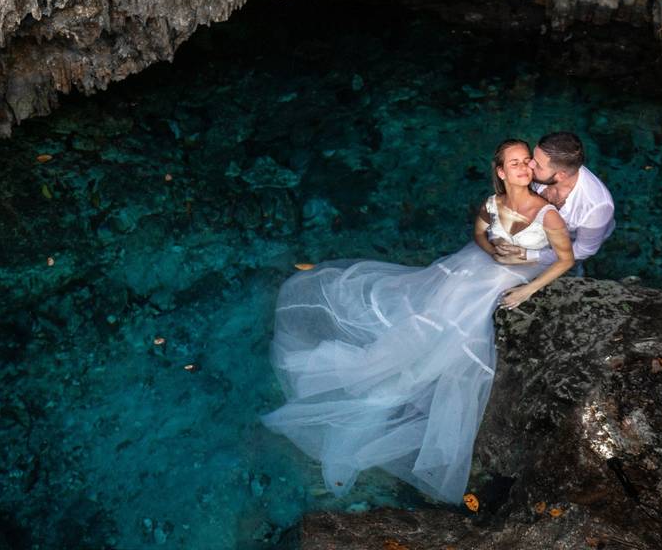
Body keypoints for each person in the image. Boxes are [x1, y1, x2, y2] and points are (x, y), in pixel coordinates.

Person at [260, 140, 574, 504]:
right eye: (514, 163)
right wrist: (492, 250)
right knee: (435, 307)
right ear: (501, 172)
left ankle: (400, 379)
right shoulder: (493, 204)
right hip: (478, 265)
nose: (523, 168)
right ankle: (387, 372)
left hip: (512, 278)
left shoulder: (547, 213)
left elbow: (564, 260)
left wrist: (526, 291)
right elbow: (479, 234)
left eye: (526, 162)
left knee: (459, 322)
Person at [493, 132, 615, 277]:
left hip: (572, 240)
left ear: (561, 176)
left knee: (569, 269)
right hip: (541, 230)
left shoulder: (597, 207)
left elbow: (583, 249)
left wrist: (529, 255)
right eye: (533, 157)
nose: (529, 165)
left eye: (537, 165)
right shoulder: (540, 173)